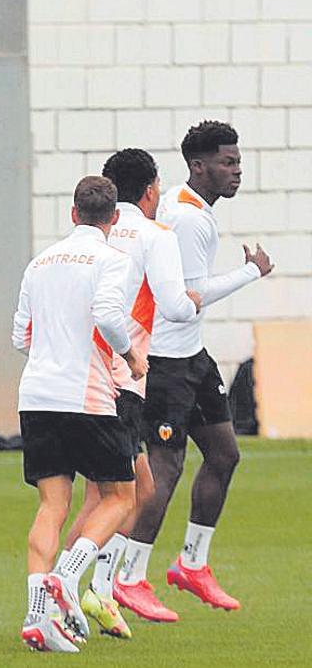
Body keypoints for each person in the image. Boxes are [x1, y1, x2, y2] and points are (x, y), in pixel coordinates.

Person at [119, 121, 274, 618]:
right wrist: (251, 271)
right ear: (198, 166)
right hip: (166, 360)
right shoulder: (187, 220)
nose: (237, 171)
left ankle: (191, 565)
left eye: (238, 162)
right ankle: (130, 576)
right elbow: (189, 297)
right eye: (228, 163)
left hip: (193, 356)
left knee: (225, 454)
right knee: (165, 467)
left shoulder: (192, 210)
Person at [58, 149, 202, 635]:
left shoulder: (87, 238)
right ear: (150, 189)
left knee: (119, 492)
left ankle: (95, 592)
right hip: (121, 380)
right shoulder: (155, 235)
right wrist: (202, 296)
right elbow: (176, 307)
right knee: (122, 493)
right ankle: (65, 588)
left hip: (84, 378)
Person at [12, 176, 147, 653]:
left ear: (73, 213)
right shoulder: (113, 260)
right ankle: (67, 578)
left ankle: (36, 617)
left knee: (52, 505)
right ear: (114, 218)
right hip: (85, 396)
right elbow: (108, 314)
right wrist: (130, 356)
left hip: (36, 395)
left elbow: (20, 336)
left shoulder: (40, 263)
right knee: (121, 495)